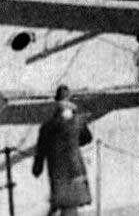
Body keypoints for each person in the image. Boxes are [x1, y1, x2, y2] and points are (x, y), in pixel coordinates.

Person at [33, 86, 96, 216]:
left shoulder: (47, 126)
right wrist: (73, 142)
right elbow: (88, 138)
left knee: (64, 205)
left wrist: (37, 169)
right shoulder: (78, 122)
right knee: (70, 207)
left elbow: (41, 150)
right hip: (75, 170)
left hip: (58, 173)